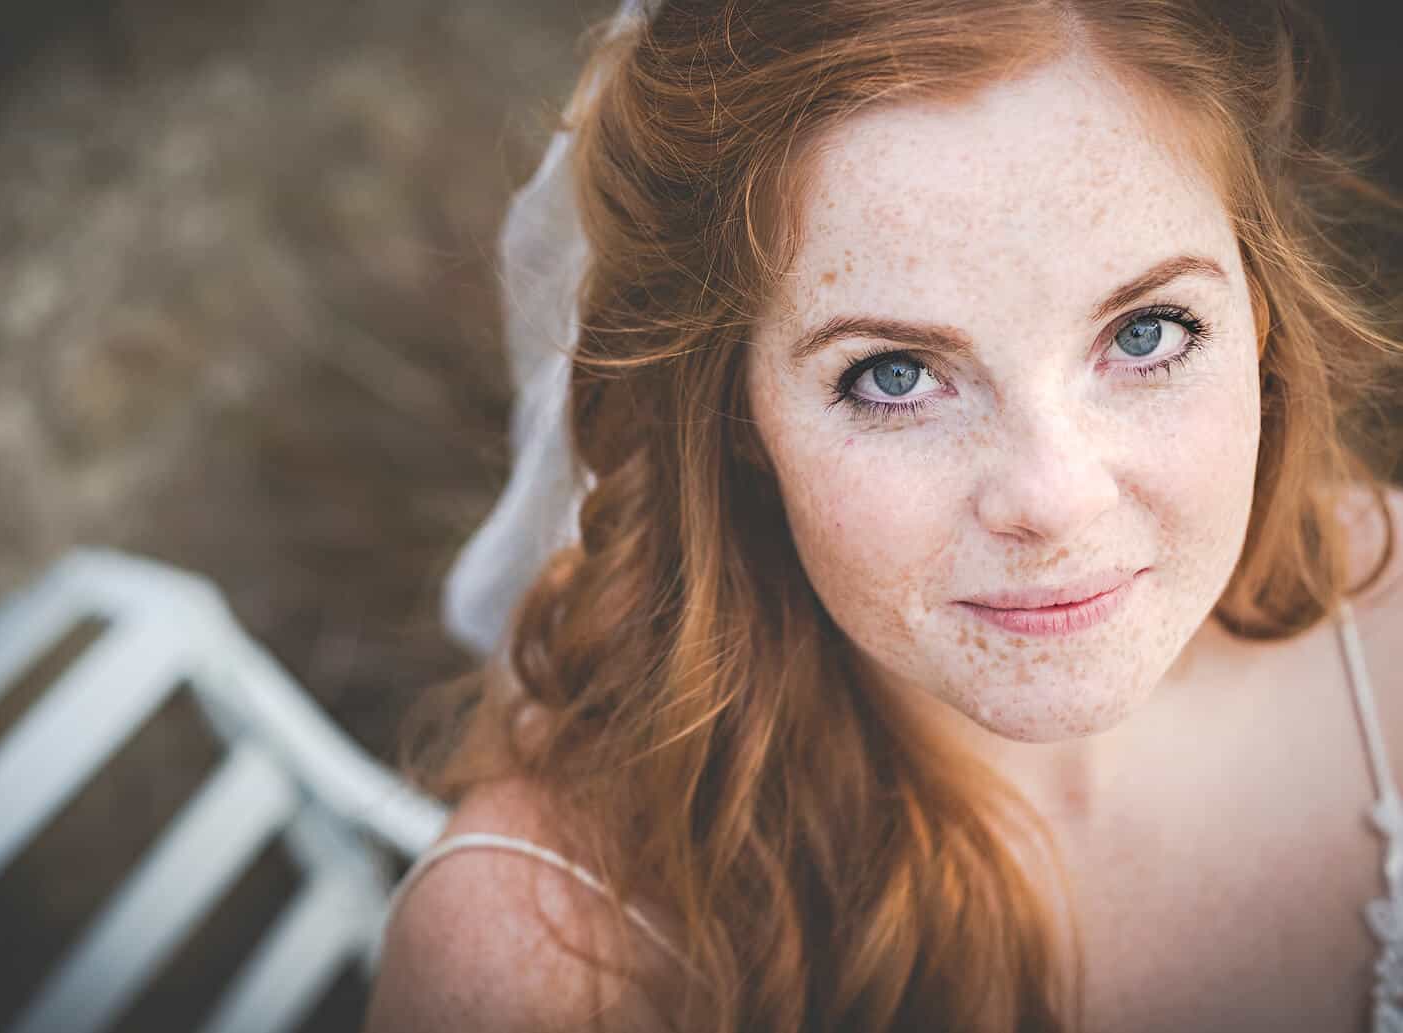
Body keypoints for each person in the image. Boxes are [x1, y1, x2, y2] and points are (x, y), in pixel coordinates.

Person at [364, 1, 1403, 1030]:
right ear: (730, 411)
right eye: (893, 375)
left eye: (1145, 333)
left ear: (1258, 312)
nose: (1052, 497)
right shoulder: (531, 970)